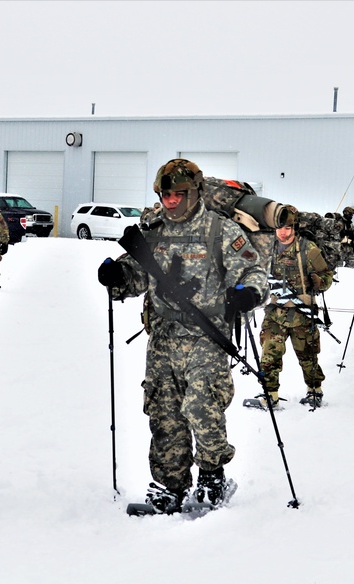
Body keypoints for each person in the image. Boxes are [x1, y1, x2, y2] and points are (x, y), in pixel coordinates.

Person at [97, 158, 267, 513]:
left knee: (201, 405)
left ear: (195, 192)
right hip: (162, 335)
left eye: (177, 194)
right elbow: (138, 274)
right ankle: (169, 485)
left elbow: (252, 269)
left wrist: (248, 292)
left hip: (206, 336)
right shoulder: (153, 232)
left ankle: (211, 476)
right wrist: (118, 276)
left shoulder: (219, 230)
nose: (170, 201)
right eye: (164, 194)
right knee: (164, 411)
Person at [256, 209, 334, 409]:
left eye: (288, 227)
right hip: (275, 312)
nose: (283, 232)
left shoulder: (309, 250)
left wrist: (319, 282)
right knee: (269, 356)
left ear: (295, 227)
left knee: (308, 356)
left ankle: (314, 390)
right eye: (279, 227)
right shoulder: (266, 249)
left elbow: (327, 277)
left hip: (302, 315)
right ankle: (270, 394)